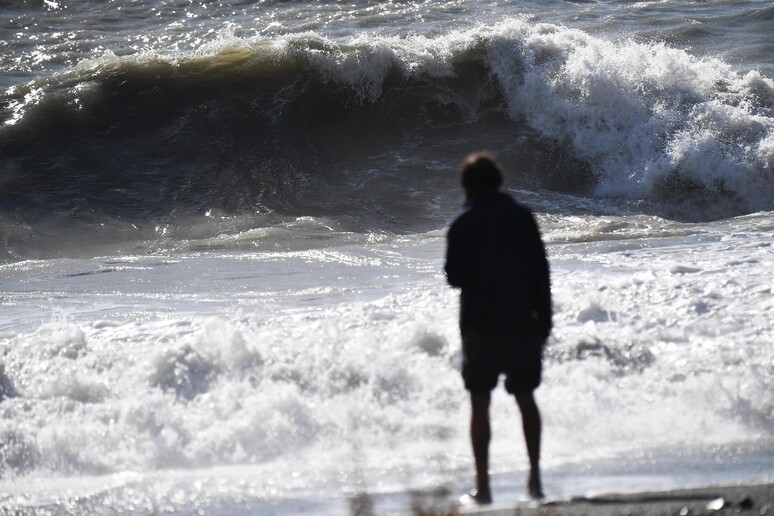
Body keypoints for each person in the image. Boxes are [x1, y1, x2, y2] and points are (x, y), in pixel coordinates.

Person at [444, 152, 552, 504]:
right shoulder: (522, 217)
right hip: (522, 323)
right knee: (525, 398)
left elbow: (454, 277)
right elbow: (541, 273)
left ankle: (484, 487)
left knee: (480, 403)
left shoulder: (463, 223)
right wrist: (544, 322)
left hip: (480, 327)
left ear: (467, 186)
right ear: (498, 181)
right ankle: (535, 480)